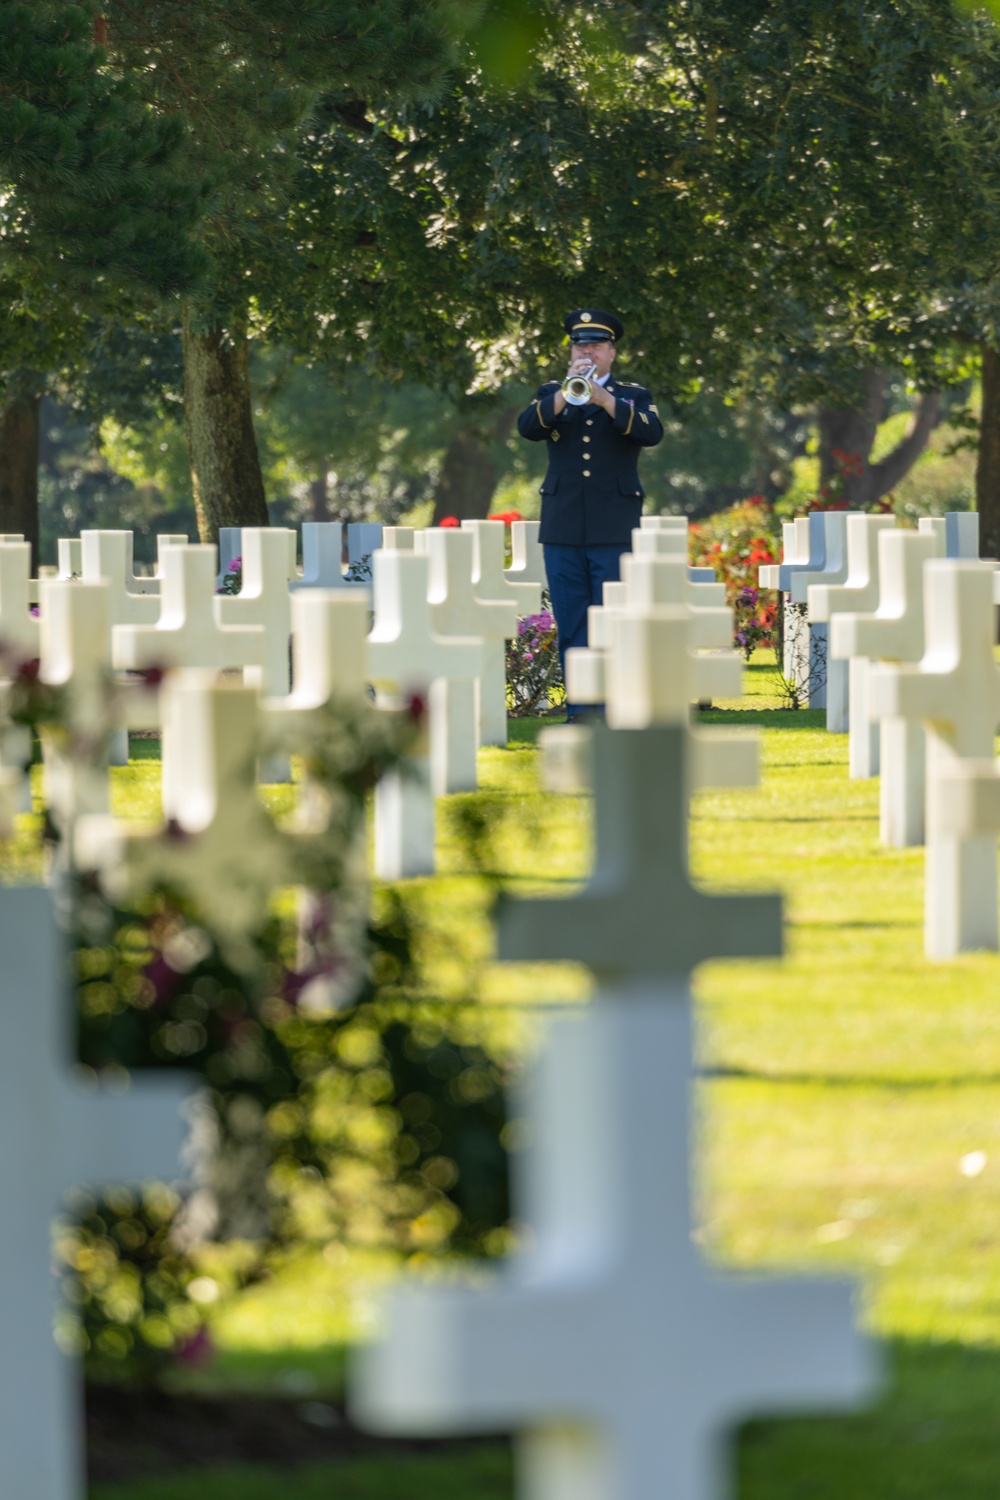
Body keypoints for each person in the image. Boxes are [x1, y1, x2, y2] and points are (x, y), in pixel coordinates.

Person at [517, 308, 663, 720]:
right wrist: (567, 393)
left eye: (596, 346)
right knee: (572, 623)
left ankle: (616, 708)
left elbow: (651, 434)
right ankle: (581, 710)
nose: (588, 353)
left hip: (614, 526)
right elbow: (528, 427)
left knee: (615, 623)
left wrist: (605, 399)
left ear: (612, 353)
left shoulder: (634, 396)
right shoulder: (552, 393)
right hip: (563, 527)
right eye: (581, 346)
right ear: (570, 354)